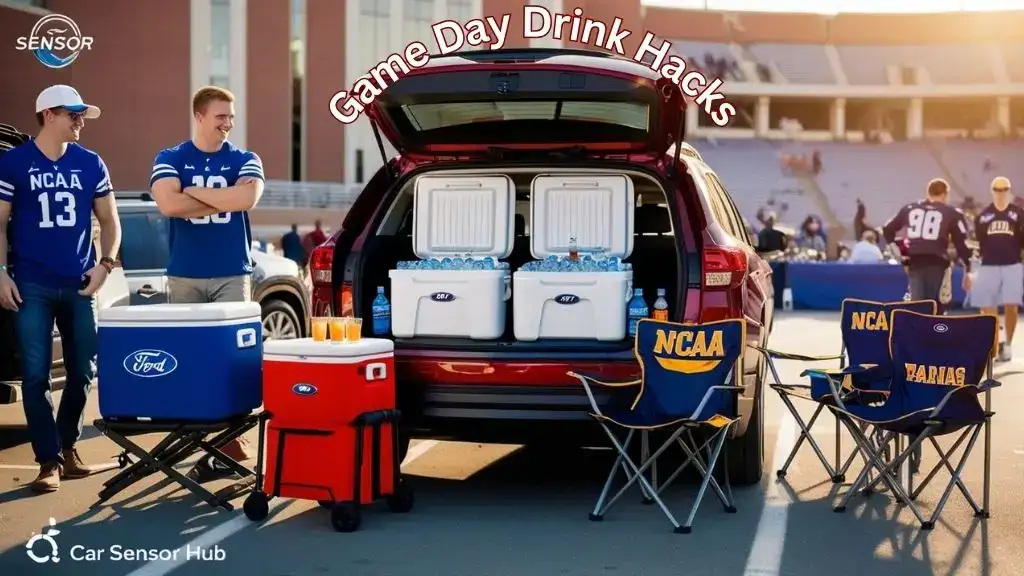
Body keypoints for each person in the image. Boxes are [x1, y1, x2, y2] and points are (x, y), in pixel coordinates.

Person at [0, 85, 122, 492]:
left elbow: (109, 220)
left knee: (83, 372)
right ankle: (48, 461)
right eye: (73, 114)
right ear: (48, 114)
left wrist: (105, 265)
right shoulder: (13, 163)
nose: (80, 121)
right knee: (34, 376)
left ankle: (67, 448)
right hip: (30, 283)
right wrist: (1, 273)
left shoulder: (91, 163)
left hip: (79, 283)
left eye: (82, 114)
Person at [149, 86, 264, 481]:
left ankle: (230, 445)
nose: (228, 124)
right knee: (188, 364)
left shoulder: (246, 158)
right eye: (220, 117)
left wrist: (194, 192)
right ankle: (204, 442)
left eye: (231, 117)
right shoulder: (171, 157)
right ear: (199, 116)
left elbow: (246, 201)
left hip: (233, 273)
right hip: (185, 276)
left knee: (234, 364)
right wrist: (221, 196)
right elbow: (168, 205)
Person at [882, 178, 973, 313]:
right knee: (936, 308)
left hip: (914, 262)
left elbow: (887, 229)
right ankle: (933, 332)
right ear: (945, 194)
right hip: (937, 262)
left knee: (917, 307)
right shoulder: (951, 213)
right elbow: (962, 243)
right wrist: (968, 268)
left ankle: (919, 332)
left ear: (928, 192)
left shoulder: (910, 208)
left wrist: (901, 252)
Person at [970, 176, 1023, 362]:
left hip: (1012, 264)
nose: (1001, 192)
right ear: (992, 191)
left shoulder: (1019, 214)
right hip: (989, 265)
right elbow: (977, 245)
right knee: (987, 308)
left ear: (1009, 190)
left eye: (1004, 189)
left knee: (1011, 305)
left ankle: (1007, 344)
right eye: (997, 189)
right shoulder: (983, 216)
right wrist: (973, 270)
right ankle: (993, 344)